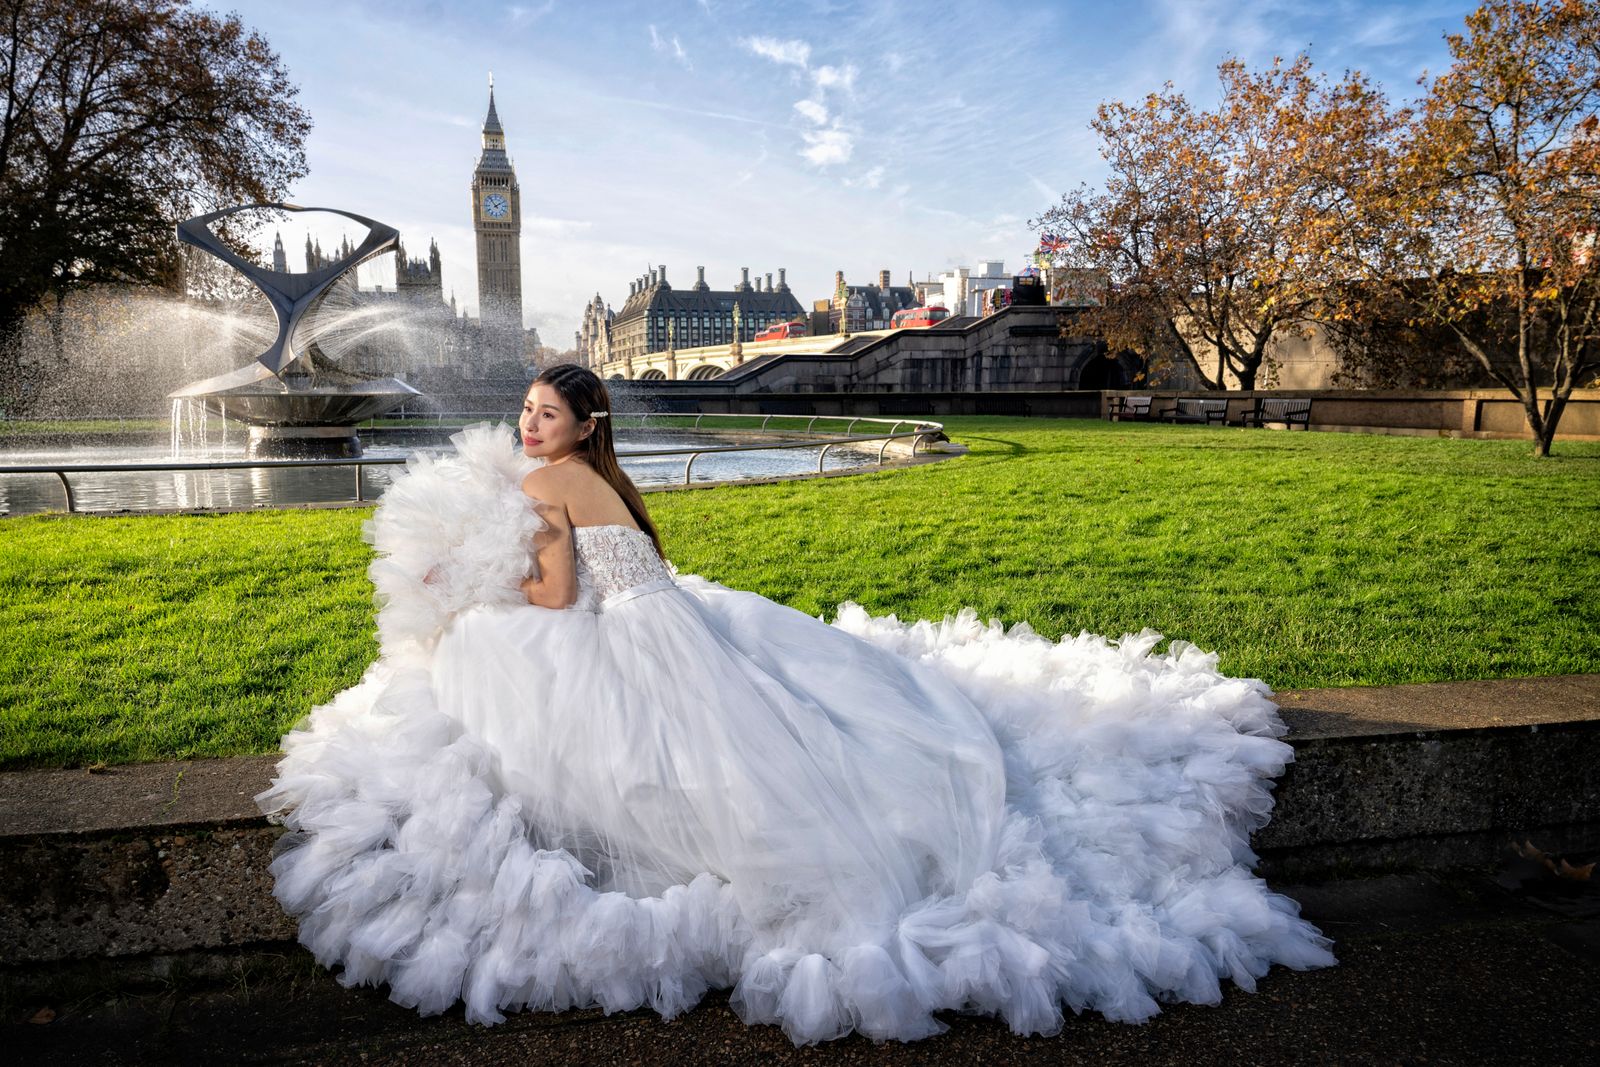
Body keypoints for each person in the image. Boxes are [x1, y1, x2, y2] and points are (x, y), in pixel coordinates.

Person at [257, 364, 1334, 1046]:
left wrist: (466, 588)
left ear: (587, 425)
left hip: (631, 637)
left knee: (511, 663)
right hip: (679, 618)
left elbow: (555, 594)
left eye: (547, 415)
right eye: (526, 413)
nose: (529, 428)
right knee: (787, 722)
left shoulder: (543, 487)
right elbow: (633, 567)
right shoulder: (613, 480)